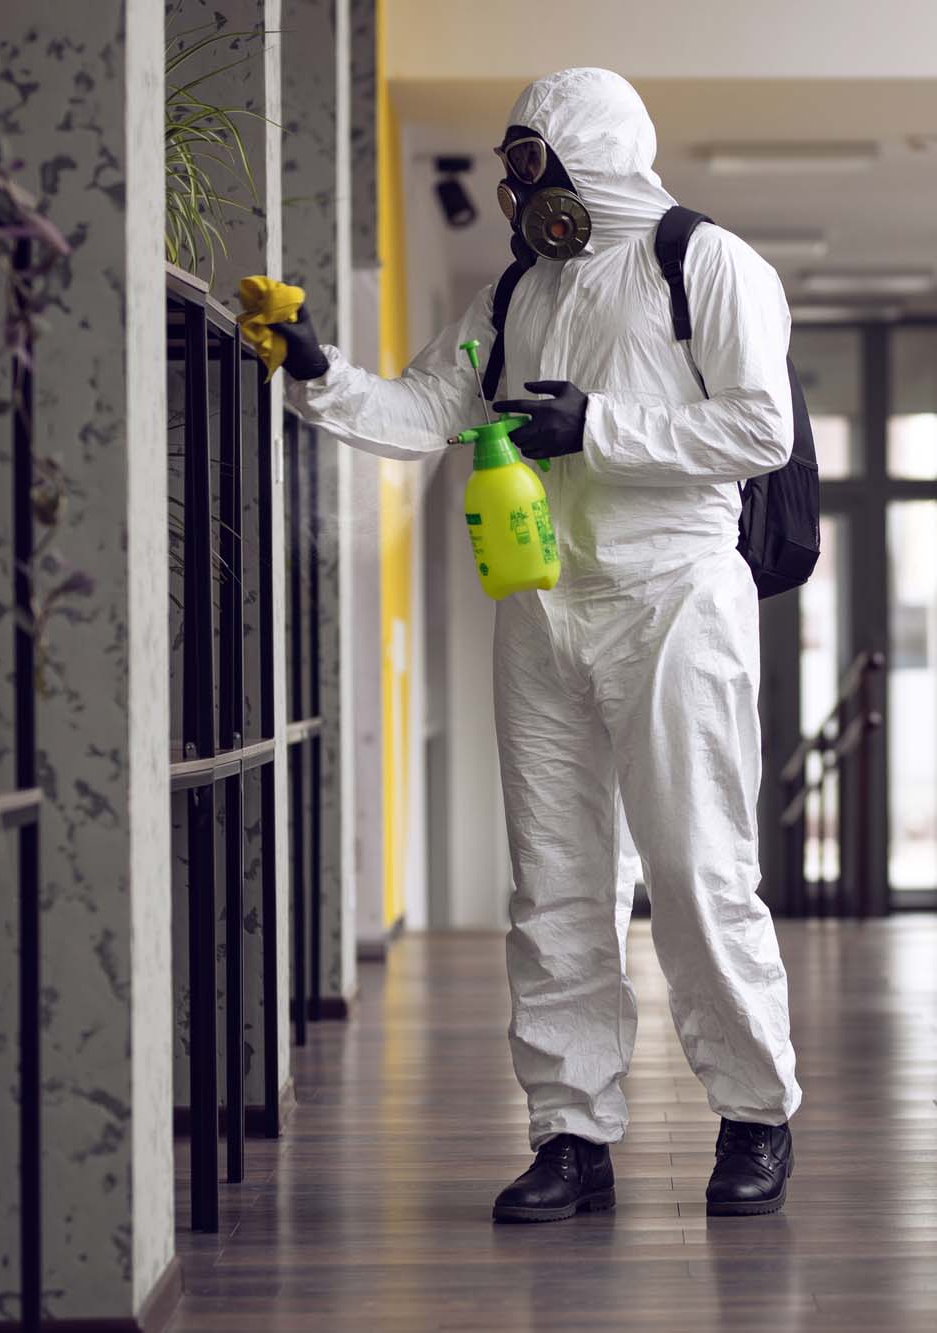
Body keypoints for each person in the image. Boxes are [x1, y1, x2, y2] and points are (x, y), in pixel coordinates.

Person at [256, 67, 801, 1222]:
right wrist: (314, 372)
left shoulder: (703, 262)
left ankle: (753, 1115)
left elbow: (759, 424)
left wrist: (593, 429)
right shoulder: (515, 291)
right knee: (552, 880)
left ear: (593, 159)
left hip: (675, 596)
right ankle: (570, 1134)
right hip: (542, 599)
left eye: (534, 166)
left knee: (699, 868)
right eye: (512, 169)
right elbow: (423, 409)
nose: (520, 193)